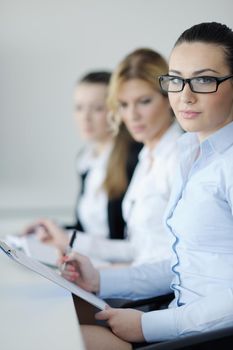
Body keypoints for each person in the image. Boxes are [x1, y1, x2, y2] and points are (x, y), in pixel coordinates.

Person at [61, 21, 233, 350]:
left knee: (64, 336)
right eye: (176, 80)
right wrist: (100, 279)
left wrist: (150, 325)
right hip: (182, 318)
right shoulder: (190, 155)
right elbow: (180, 262)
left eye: (204, 79)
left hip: (209, 335)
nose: (185, 96)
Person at [28, 48, 182, 267]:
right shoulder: (148, 156)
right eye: (124, 105)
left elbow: (176, 261)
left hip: (155, 293)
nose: (132, 115)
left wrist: (102, 275)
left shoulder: (171, 157)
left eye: (144, 101)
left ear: (169, 97)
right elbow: (139, 248)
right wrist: (66, 238)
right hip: (135, 281)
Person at [25, 71, 141, 253]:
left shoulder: (134, 159)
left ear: (116, 111)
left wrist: (68, 239)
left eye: (97, 108)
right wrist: (54, 230)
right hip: (92, 259)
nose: (85, 117)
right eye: (79, 107)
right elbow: (88, 230)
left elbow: (135, 244)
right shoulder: (85, 159)